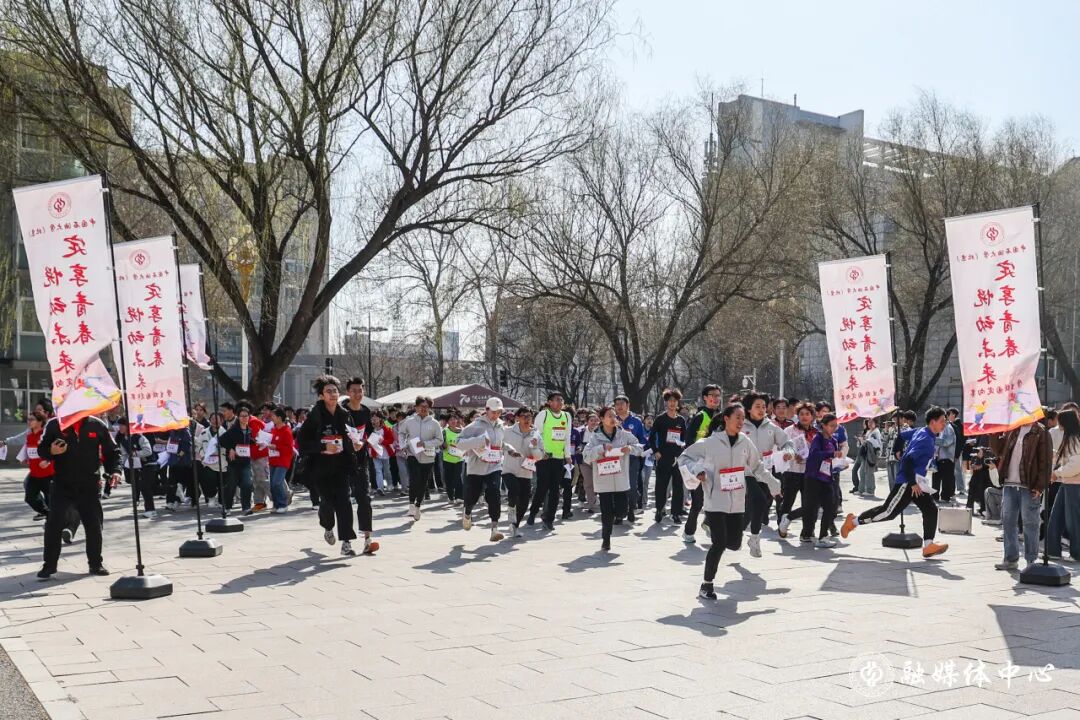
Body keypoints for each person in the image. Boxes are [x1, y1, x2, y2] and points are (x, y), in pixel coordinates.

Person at [677, 403, 780, 599]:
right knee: (719, 543)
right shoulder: (710, 443)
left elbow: (757, 466)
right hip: (715, 500)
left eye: (743, 418)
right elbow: (684, 457)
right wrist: (698, 470)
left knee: (734, 543)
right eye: (737, 417)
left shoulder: (745, 442)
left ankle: (717, 532)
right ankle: (707, 585)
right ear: (726, 419)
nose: (741, 422)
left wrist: (773, 483)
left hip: (737, 501)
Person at [840, 407, 951, 559]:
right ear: (933, 422)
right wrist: (912, 482)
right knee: (888, 512)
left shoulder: (922, 431)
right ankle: (853, 521)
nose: (944, 424)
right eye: (942, 421)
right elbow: (908, 460)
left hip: (918, 482)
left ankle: (928, 546)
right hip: (908, 482)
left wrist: (897, 449)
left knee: (930, 509)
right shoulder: (925, 438)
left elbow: (901, 436)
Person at [37, 411, 121, 579]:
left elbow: (112, 451)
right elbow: (42, 449)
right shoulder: (55, 424)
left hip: (89, 483)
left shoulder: (96, 424)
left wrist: (115, 471)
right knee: (54, 524)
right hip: (62, 483)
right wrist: (51, 451)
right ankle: (49, 565)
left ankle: (95, 564)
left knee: (93, 524)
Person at [297, 375, 362, 556]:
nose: (333, 394)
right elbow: (302, 443)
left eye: (335, 391)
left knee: (345, 502)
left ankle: (347, 542)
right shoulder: (315, 416)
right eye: (328, 391)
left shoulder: (345, 414)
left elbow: (352, 436)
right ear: (321, 396)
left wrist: (356, 444)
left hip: (341, 466)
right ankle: (327, 527)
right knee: (327, 502)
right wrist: (323, 447)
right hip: (320, 468)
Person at [989, 417, 1052, 571]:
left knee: (1030, 523)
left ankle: (1031, 560)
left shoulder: (1041, 432)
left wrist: (1039, 486)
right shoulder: (1013, 428)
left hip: (1029, 485)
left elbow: (1046, 462)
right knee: (1008, 521)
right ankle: (1010, 558)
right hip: (1009, 483)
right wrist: (994, 433)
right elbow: (998, 451)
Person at [740, 391, 794, 555]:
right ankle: (750, 535)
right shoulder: (741, 425)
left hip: (765, 472)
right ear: (748, 408)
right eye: (757, 406)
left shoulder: (771, 427)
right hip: (745, 472)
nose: (762, 409)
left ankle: (751, 536)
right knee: (757, 500)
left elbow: (787, 442)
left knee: (757, 505)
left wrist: (788, 452)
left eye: (764, 406)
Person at [583, 406, 644, 551]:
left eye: (614, 416)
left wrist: (630, 449)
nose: (612, 418)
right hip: (603, 481)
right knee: (606, 512)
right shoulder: (595, 437)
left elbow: (640, 446)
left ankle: (619, 515)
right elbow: (586, 456)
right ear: (602, 419)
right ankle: (606, 539)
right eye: (609, 416)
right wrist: (601, 449)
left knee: (622, 511)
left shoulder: (624, 435)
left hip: (620, 479)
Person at [455, 398, 511, 542]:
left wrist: (510, 449)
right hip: (476, 468)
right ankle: (467, 513)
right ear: (486, 410)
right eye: (493, 412)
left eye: (499, 412)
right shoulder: (475, 425)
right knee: (472, 496)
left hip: (494, 466)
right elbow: (458, 442)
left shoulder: (501, 426)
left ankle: (494, 528)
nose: (496, 415)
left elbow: (501, 443)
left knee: (494, 493)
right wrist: (479, 441)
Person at [682, 384, 723, 544]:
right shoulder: (700, 417)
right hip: (699, 465)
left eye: (718, 395)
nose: (716, 398)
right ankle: (688, 532)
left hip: (717, 465)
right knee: (698, 501)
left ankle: (708, 523)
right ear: (705, 397)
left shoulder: (722, 417)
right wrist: (693, 465)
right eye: (712, 395)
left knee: (717, 499)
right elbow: (688, 442)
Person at [341, 378, 377, 549]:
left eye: (360, 390)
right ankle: (346, 541)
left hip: (362, 461)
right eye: (354, 390)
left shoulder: (365, 411)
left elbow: (369, 432)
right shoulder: (341, 412)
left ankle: (368, 539)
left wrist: (368, 442)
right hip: (342, 462)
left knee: (365, 498)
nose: (358, 393)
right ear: (348, 392)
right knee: (344, 500)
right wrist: (350, 444)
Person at [530, 392, 573, 531]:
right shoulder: (544, 414)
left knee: (555, 490)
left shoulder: (567, 416)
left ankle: (550, 519)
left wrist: (568, 455)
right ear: (549, 402)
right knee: (542, 488)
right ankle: (533, 512)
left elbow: (567, 436)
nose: (560, 402)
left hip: (559, 458)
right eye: (557, 400)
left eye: (561, 400)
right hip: (544, 457)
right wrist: (539, 451)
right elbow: (536, 434)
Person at [801, 413, 844, 548]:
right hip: (814, 477)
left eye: (835, 426)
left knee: (831, 506)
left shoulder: (833, 441)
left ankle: (823, 536)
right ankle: (796, 524)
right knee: (811, 507)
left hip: (827, 477)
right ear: (823, 426)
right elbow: (814, 455)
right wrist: (831, 453)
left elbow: (832, 460)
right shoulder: (818, 439)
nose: (833, 428)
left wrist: (840, 462)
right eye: (831, 426)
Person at [397, 396, 442, 521]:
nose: (424, 409)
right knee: (414, 479)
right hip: (413, 454)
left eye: (426, 406)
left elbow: (439, 440)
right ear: (416, 407)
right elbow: (401, 433)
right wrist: (403, 446)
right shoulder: (409, 421)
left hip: (428, 456)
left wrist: (426, 443)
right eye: (421, 406)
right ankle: (411, 504)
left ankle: (418, 506)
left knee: (423, 482)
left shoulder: (434, 423)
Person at [777, 402, 817, 539]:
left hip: (809, 473)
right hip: (792, 471)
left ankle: (807, 532)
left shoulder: (816, 433)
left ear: (812, 416)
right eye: (801, 414)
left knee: (809, 504)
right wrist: (794, 455)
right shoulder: (789, 430)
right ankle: (782, 526)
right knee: (788, 501)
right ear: (797, 416)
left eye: (807, 414)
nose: (804, 417)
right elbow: (782, 447)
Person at [503, 407, 543, 538]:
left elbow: (539, 456)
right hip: (509, 469)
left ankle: (515, 526)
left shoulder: (535, 434)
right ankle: (511, 508)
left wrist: (535, 447)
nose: (527, 419)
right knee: (514, 489)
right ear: (517, 418)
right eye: (524, 416)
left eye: (529, 417)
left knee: (524, 502)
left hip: (526, 472)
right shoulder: (508, 431)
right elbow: (499, 444)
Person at [649, 388, 687, 524]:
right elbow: (651, 437)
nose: (672, 403)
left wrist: (682, 449)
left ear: (678, 403)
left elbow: (684, 438)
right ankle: (659, 509)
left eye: (675, 401)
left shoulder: (681, 420)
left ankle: (675, 513)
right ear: (666, 402)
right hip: (663, 457)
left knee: (678, 486)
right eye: (670, 401)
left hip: (677, 458)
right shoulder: (660, 419)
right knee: (661, 486)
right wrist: (656, 451)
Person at [1047, 408, 1080, 562]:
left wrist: (1057, 473)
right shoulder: (1071, 438)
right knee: (1056, 516)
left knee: (1073, 520)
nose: (1058, 423)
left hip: (1074, 484)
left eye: (1060, 420)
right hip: (1067, 482)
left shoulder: (1074, 439)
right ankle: (1053, 550)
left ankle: (1076, 553)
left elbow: (1076, 465)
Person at [218, 405, 257, 515]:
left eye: (246, 416)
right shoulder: (233, 430)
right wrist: (230, 449)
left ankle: (246, 507)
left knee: (247, 484)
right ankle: (227, 508)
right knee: (231, 485)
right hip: (234, 463)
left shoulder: (249, 430)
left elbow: (247, 442)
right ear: (238, 417)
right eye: (242, 416)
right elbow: (221, 440)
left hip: (245, 462)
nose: (244, 418)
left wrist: (256, 442)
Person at [116, 417, 156, 518]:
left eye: (122, 425)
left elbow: (148, 451)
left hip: (148, 464)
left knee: (145, 486)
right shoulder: (122, 440)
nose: (120, 427)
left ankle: (151, 510)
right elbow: (124, 455)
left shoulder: (139, 437)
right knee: (141, 486)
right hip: (137, 466)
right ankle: (172, 489)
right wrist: (124, 465)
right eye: (119, 425)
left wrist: (136, 454)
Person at [614, 395, 647, 515]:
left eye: (622, 404)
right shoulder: (612, 420)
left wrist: (636, 451)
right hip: (616, 459)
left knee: (632, 485)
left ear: (628, 405)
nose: (619, 406)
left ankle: (632, 508)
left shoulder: (636, 421)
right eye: (617, 404)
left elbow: (642, 440)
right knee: (617, 486)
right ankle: (619, 512)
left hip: (632, 458)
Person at [20, 412, 53, 520]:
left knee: (53, 500)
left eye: (32, 419)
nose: (29, 422)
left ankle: (55, 520)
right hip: (34, 474)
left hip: (48, 474)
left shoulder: (46, 435)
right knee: (30, 498)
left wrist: (47, 460)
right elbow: (31, 451)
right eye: (28, 419)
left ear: (40, 422)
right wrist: (26, 458)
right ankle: (48, 514)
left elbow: (54, 451)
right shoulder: (29, 436)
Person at [268, 407, 294, 514]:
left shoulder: (287, 431)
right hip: (273, 460)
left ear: (279, 418)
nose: (272, 418)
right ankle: (276, 504)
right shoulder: (273, 430)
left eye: (273, 416)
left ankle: (283, 504)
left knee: (277, 482)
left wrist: (276, 447)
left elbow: (289, 448)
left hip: (283, 461)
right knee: (272, 484)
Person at [851, 418, 882, 496]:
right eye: (869, 422)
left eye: (872, 422)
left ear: (875, 423)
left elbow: (876, 443)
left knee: (869, 472)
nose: (869, 424)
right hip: (865, 454)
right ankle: (861, 489)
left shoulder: (876, 432)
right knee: (862, 472)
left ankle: (870, 490)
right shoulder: (869, 431)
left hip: (871, 454)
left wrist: (866, 440)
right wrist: (862, 440)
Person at [932, 409, 958, 503]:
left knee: (946, 479)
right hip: (939, 457)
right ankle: (935, 496)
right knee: (936, 478)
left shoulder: (949, 428)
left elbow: (947, 442)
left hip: (946, 458)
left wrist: (934, 440)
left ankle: (945, 497)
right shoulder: (941, 428)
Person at [577, 412, 600, 514]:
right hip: (584, 461)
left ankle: (595, 498)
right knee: (588, 482)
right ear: (587, 421)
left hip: (597, 460)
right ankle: (590, 504)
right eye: (591, 420)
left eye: (596, 421)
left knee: (597, 481)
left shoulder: (600, 432)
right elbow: (576, 444)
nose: (594, 423)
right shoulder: (581, 431)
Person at [441, 412, 465, 504]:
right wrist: (443, 445)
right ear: (448, 422)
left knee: (458, 477)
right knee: (449, 479)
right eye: (451, 420)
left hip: (459, 459)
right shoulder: (444, 431)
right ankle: (450, 496)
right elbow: (440, 445)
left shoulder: (462, 431)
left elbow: (466, 443)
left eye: (455, 419)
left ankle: (459, 497)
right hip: (447, 459)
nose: (453, 421)